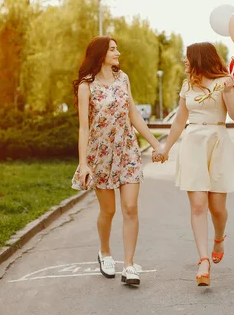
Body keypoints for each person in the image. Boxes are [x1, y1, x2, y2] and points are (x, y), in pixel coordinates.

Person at [71, 36, 164, 286]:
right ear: (101, 54)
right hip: (100, 154)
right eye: (113, 49)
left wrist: (156, 145)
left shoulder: (123, 79)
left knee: (131, 208)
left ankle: (130, 265)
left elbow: (133, 114)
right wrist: (84, 163)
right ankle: (105, 252)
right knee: (108, 210)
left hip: (127, 151)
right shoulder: (86, 86)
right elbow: (83, 128)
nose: (118, 53)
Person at [153, 42, 234, 287]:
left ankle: (218, 238)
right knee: (197, 206)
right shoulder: (187, 86)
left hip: (218, 142)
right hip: (193, 143)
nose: (184, 61)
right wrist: (166, 149)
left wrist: (228, 93)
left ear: (199, 59)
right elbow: (178, 121)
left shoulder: (225, 81)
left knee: (217, 208)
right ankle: (203, 260)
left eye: (187, 57)